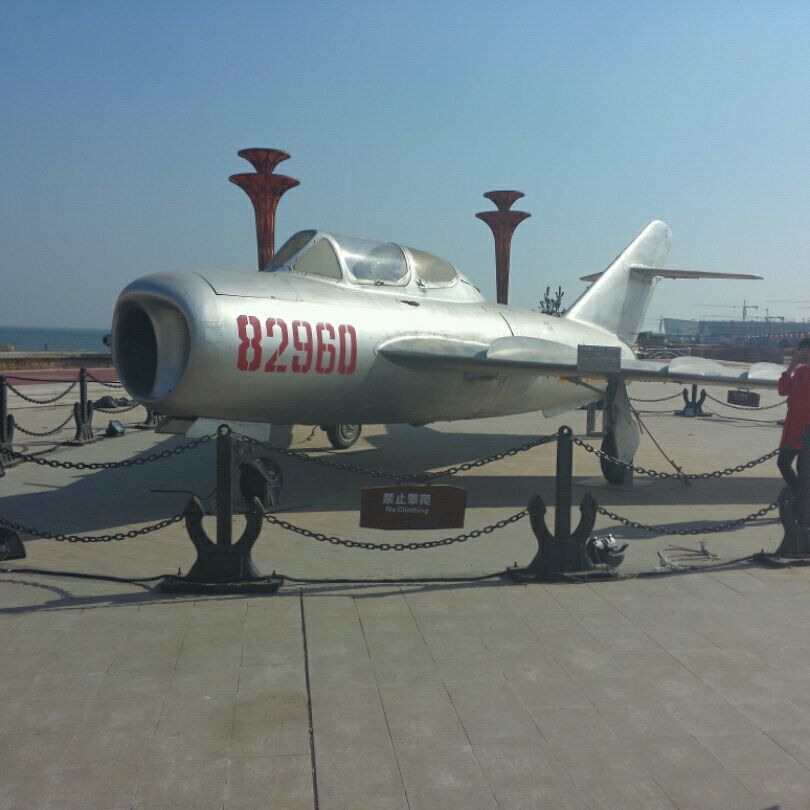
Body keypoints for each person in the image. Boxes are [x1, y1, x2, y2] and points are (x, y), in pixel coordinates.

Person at [777, 337, 810, 491]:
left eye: (806, 350)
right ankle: (799, 497)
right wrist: (791, 367)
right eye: (801, 350)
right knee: (783, 463)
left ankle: (801, 500)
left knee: (803, 471)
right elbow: (783, 390)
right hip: (793, 430)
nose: (802, 354)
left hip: (806, 432)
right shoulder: (799, 371)